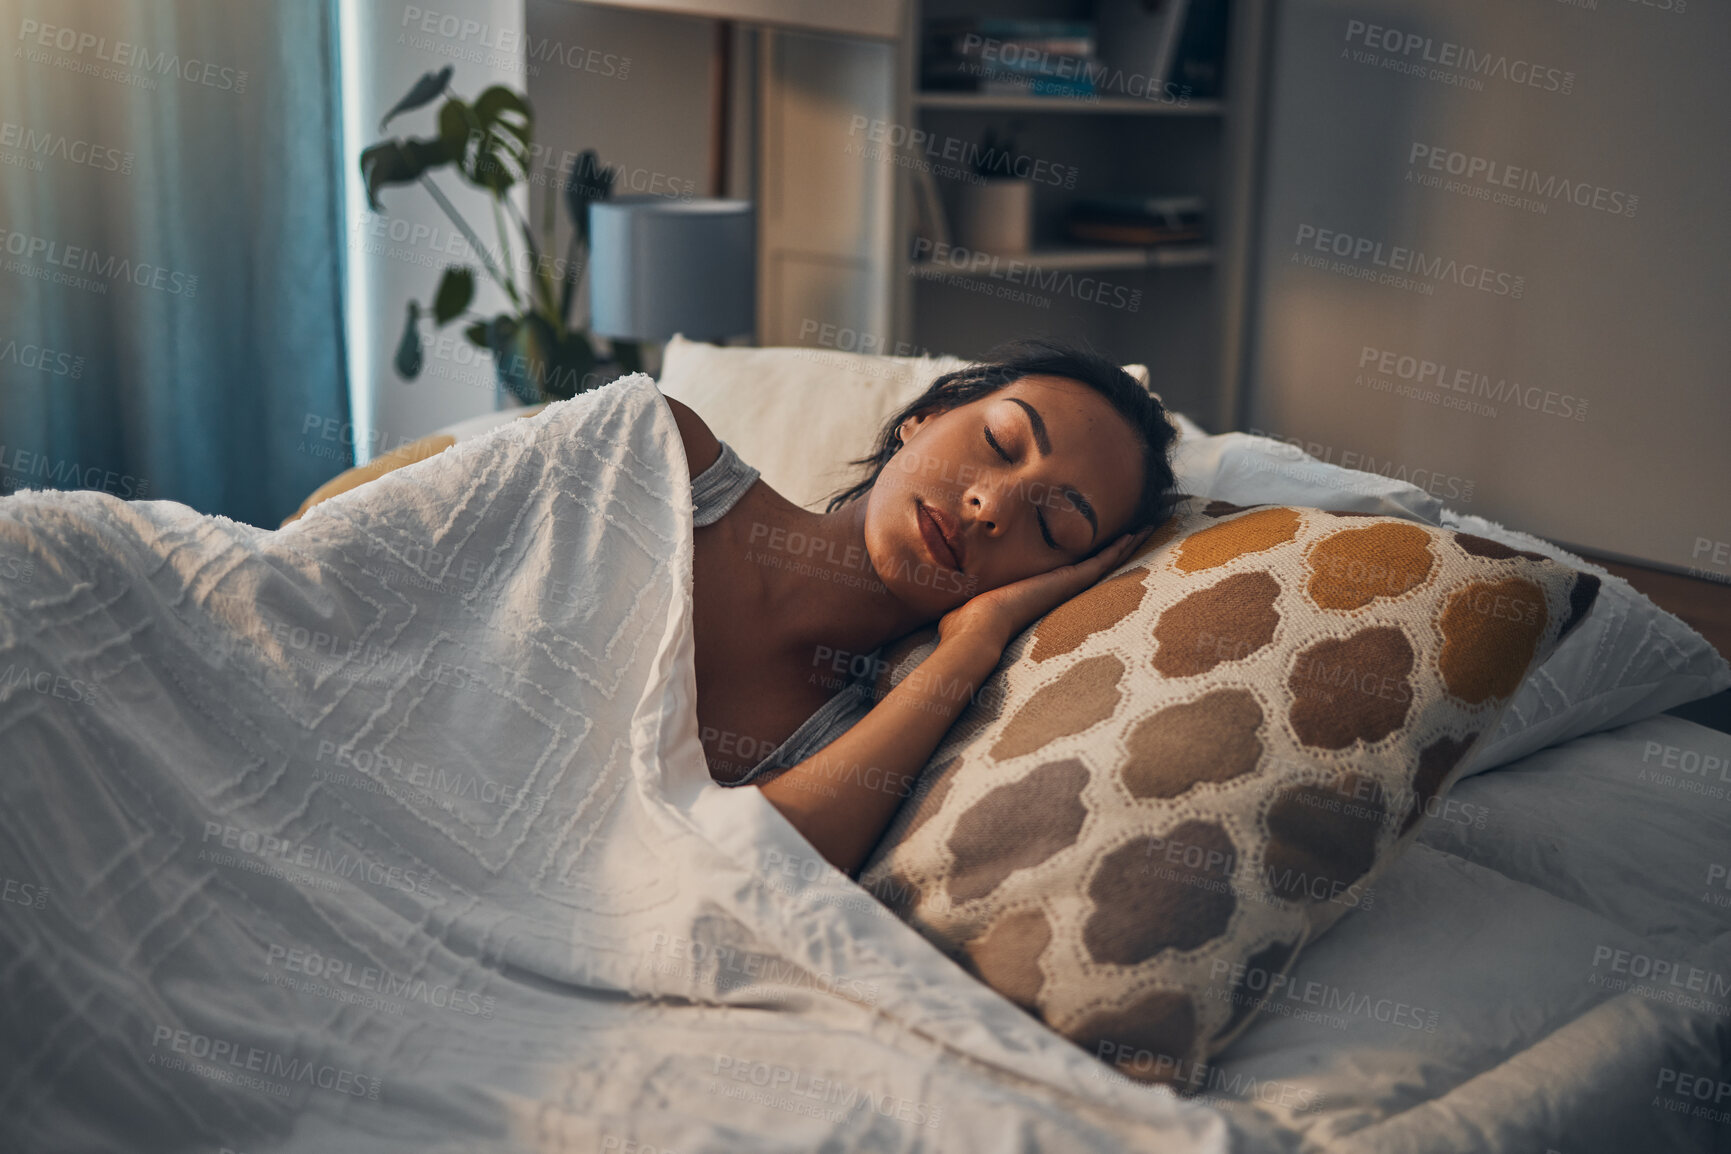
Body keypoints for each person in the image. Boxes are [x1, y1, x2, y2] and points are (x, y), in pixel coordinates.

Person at [666, 338, 1180, 877]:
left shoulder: (842, 753)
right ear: (925, 417)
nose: (992, 505)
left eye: (1054, 527)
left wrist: (974, 641)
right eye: (1000, 443)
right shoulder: (671, 457)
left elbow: (735, 878)